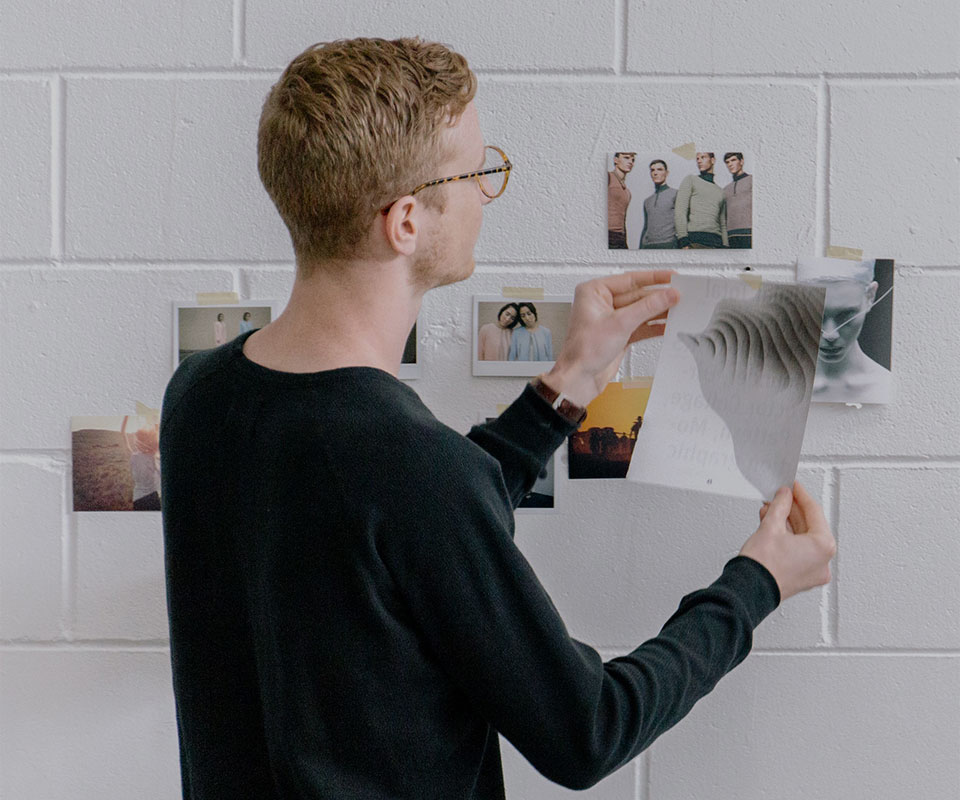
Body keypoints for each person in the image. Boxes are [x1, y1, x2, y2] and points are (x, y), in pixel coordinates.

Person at [160, 37, 836, 799]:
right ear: (406, 222)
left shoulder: (199, 396)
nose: (486, 193)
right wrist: (758, 584)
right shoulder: (411, 468)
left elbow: (405, 531)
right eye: (477, 173)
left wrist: (565, 387)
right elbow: (588, 731)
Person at [800, 259, 892, 404]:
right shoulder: (776, 386)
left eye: (846, 315)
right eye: (815, 313)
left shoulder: (886, 386)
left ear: (870, 296)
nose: (830, 334)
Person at [675, 152, 728, 249]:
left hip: (717, 243)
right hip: (695, 240)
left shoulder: (721, 191)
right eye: (697, 159)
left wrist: (726, 245)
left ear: (713, 160)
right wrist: (683, 240)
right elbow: (680, 211)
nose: (699, 161)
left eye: (703, 157)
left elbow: (722, 223)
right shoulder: (691, 180)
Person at [120, 416, 161, 511]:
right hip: (152, 497)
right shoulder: (153, 456)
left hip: (138, 498)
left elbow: (123, 433)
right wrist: (156, 427)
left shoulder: (133, 456)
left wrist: (126, 417)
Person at [639, 159, 678, 248]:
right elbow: (645, 227)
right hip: (648, 246)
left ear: (666, 173)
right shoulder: (647, 201)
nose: (655, 173)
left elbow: (684, 220)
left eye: (659, 169)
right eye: (652, 170)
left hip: (668, 244)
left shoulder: (676, 194)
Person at [723, 152, 752, 249]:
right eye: (727, 162)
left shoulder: (752, 181)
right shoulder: (726, 189)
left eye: (733, 160)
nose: (730, 164)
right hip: (731, 235)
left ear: (741, 161)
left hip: (749, 233)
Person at [607, 152, 635, 249]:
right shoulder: (608, 177)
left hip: (621, 237)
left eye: (633, 160)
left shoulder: (627, 191)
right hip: (608, 234)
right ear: (616, 160)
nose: (630, 162)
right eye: (626, 158)